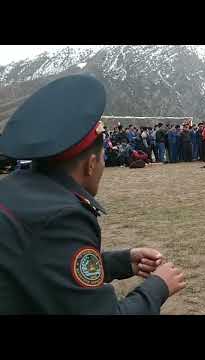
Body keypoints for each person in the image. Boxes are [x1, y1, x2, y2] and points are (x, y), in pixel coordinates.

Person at [0, 74, 185, 314]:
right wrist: (158, 287)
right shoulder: (61, 217)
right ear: (90, 164)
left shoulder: (15, 189)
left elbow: (50, 265)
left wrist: (122, 262)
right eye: (103, 160)